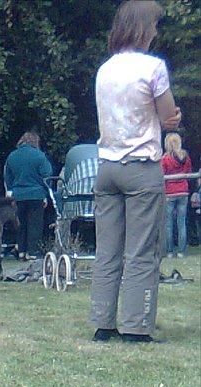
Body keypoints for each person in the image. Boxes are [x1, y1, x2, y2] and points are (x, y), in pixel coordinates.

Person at [89, 0, 181, 344]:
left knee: (108, 250)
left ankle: (103, 322)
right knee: (141, 251)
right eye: (154, 26)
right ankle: (136, 326)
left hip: (107, 167)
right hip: (141, 168)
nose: (156, 32)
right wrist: (171, 119)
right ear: (144, 27)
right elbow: (168, 114)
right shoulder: (153, 67)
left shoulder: (105, 69)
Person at [3, 132, 52, 259]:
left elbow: (7, 177)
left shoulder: (12, 156)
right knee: (35, 224)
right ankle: (32, 252)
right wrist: (46, 194)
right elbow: (47, 175)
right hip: (36, 194)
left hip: (17, 195)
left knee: (21, 223)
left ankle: (21, 251)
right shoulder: (39, 156)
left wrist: (10, 192)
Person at [161, 132, 193, 257]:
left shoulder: (165, 158)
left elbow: (161, 173)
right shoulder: (186, 156)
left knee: (168, 223)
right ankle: (181, 251)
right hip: (183, 191)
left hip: (169, 192)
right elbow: (188, 171)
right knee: (181, 222)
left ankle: (169, 251)